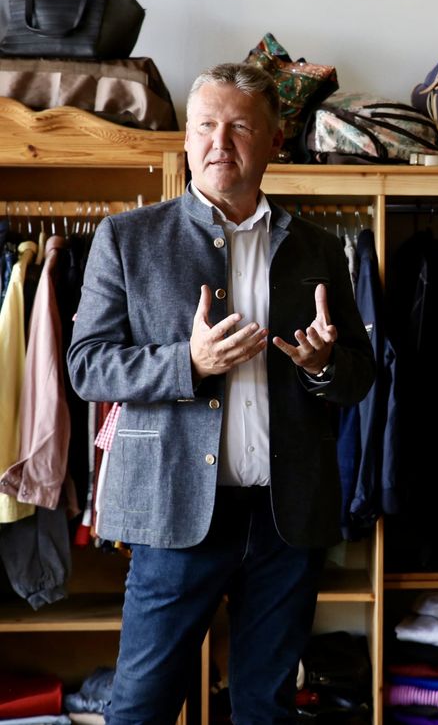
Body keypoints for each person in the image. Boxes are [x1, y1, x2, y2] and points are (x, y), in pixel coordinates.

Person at [67, 62, 375, 724]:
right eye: (206, 125)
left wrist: (322, 365)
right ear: (186, 138)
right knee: (142, 707)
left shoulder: (320, 248)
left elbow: (360, 376)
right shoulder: (127, 239)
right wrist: (189, 363)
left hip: (286, 521)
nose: (220, 142)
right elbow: (87, 367)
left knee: (267, 708)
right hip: (172, 512)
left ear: (275, 141)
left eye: (240, 128)